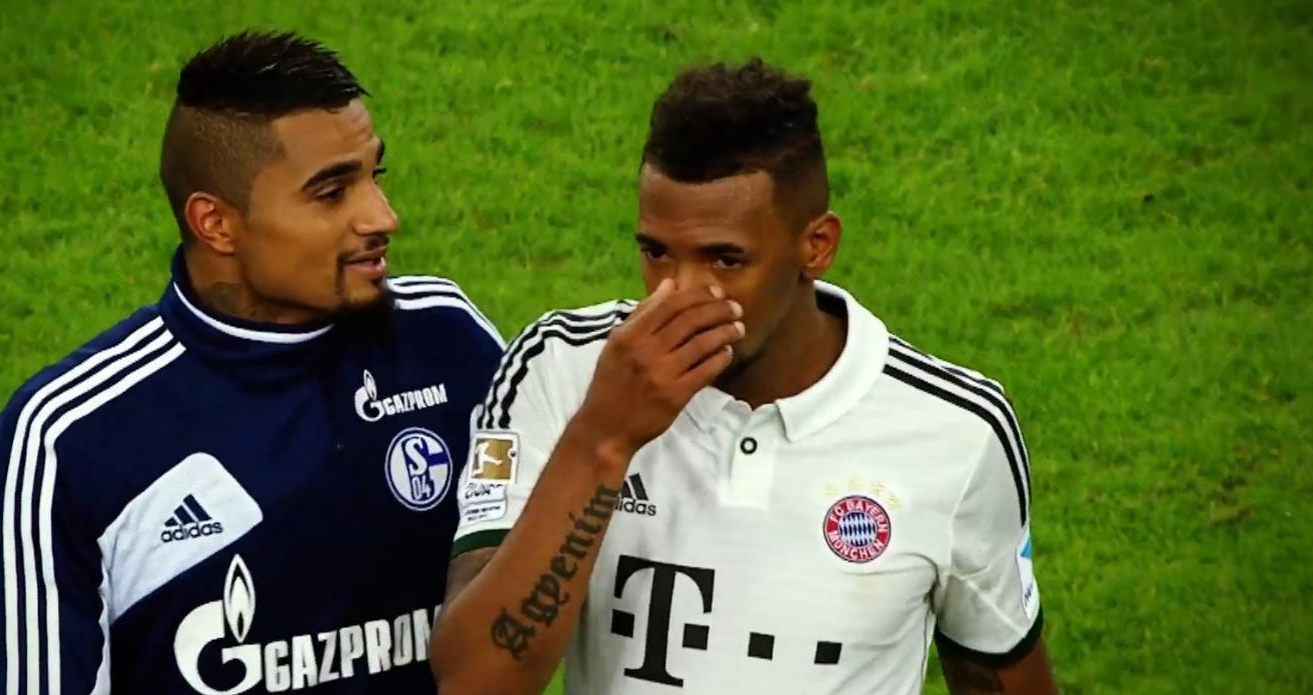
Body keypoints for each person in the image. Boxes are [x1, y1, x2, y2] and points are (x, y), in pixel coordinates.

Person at [430, 59, 1058, 694]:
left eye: (725, 260)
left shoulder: (956, 433)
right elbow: (475, 683)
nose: (679, 293)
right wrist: (604, 437)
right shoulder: (560, 370)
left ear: (817, 246)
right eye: (655, 252)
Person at [0, 31, 504, 694]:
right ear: (216, 224)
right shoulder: (71, 439)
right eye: (331, 192)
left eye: (375, 176)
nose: (382, 217)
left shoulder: (448, 342)